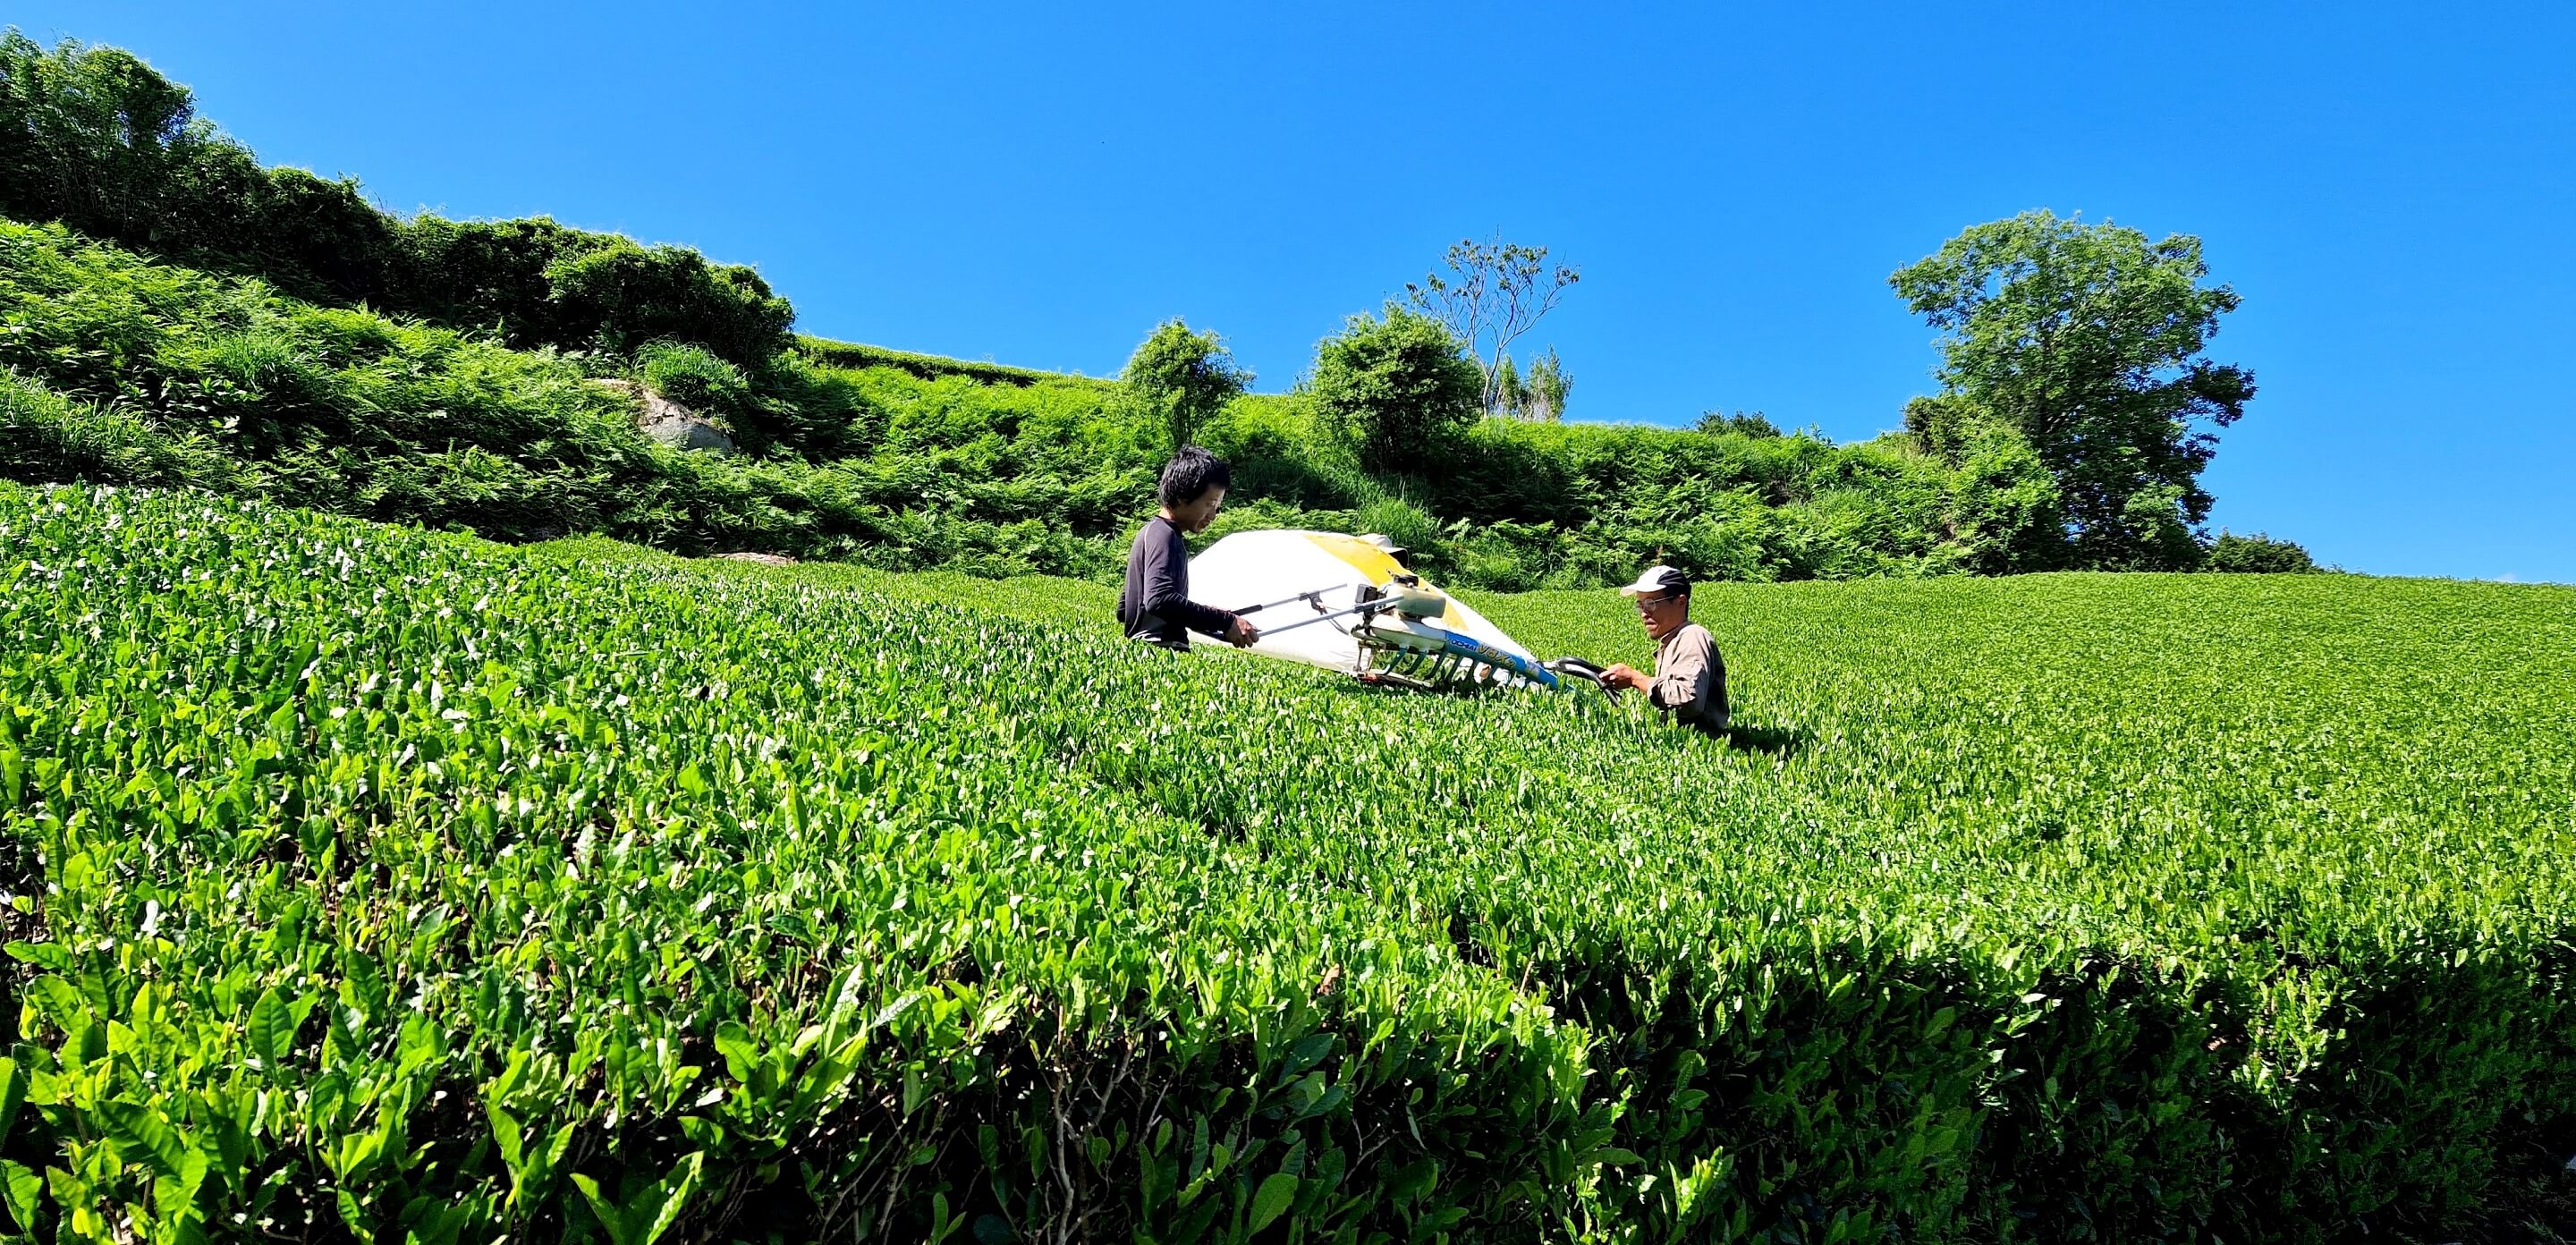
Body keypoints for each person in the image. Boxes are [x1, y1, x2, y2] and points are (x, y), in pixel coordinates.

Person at [1119, 447, 1260, 650]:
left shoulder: (1152, 532)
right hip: (1163, 650)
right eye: (1209, 504)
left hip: (1145, 651)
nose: (1213, 516)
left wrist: (1207, 615)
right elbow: (1159, 600)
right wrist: (1224, 621)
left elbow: (1126, 608)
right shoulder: (1164, 535)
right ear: (1181, 497)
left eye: (1217, 507)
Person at [1598, 565, 1728, 734]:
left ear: (1681, 602)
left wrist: (1635, 679)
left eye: (1651, 604)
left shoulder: (1692, 637)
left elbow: (1688, 699)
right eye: (1640, 605)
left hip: (1697, 748)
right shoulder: (1673, 640)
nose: (1644, 613)